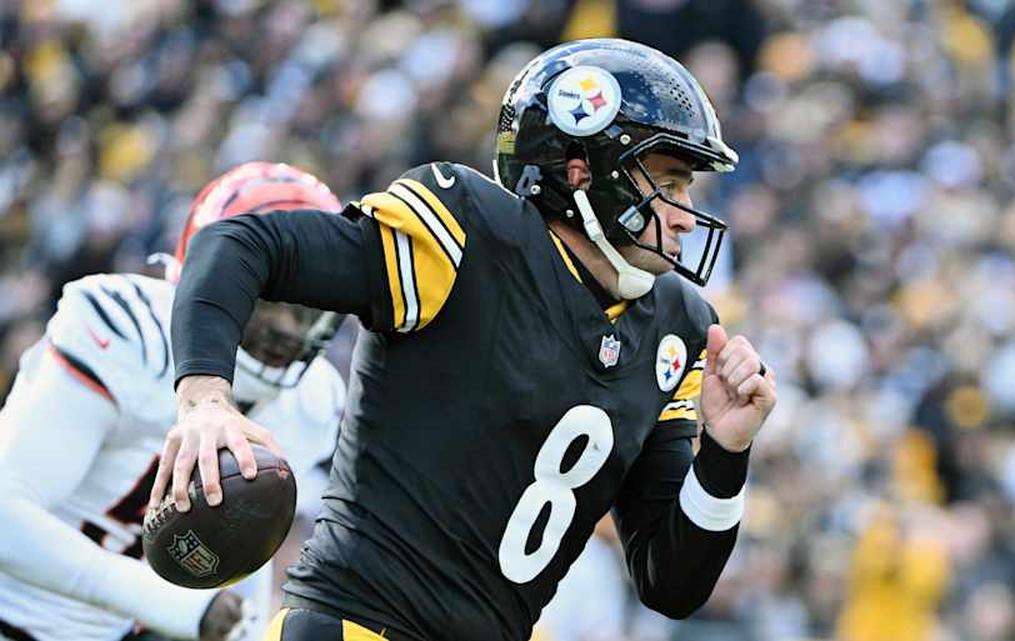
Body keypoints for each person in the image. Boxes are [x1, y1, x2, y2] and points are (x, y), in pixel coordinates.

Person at [150, 39, 776, 641]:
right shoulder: (471, 234)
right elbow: (237, 243)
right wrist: (205, 399)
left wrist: (725, 451)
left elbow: (671, 583)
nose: (685, 215)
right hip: (359, 624)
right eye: (669, 184)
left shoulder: (677, 326)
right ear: (585, 173)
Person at [0, 163, 346, 641]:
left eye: (307, 310)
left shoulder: (313, 401)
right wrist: (177, 607)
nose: (289, 328)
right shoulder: (128, 333)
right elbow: (5, 516)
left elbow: (245, 551)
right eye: (271, 299)